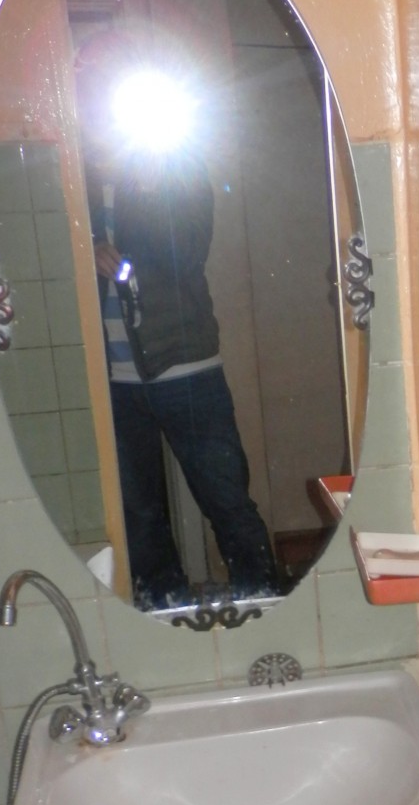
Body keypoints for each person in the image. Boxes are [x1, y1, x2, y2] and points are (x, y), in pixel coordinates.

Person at [89, 141, 280, 608]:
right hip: (110, 379)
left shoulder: (178, 170)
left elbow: (188, 255)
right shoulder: (77, 179)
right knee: (138, 516)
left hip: (187, 369)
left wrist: (151, 191)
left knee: (227, 501)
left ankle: (263, 607)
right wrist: (86, 249)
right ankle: (164, 612)